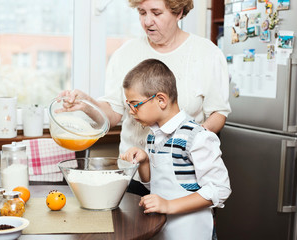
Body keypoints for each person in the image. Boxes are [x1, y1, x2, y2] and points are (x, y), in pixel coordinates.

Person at [59, 0, 231, 195]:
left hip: (184, 175)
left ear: (179, 12)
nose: (147, 21)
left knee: (185, 225)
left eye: (156, 13)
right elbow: (114, 114)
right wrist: (87, 104)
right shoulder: (125, 54)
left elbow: (218, 114)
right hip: (133, 174)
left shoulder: (208, 54)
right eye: (142, 13)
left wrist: (186, 143)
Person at [119, 58, 231, 240]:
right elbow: (153, 185)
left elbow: (220, 189)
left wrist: (169, 205)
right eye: (128, 105)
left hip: (192, 232)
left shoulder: (196, 137)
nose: (131, 111)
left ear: (161, 100)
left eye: (135, 104)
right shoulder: (153, 134)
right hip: (163, 230)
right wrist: (145, 161)